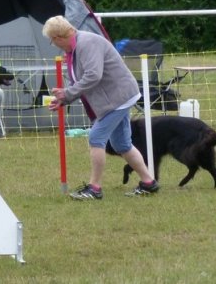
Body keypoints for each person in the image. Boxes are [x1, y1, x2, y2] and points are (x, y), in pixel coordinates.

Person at [42, 15, 159, 200]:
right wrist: (64, 98)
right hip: (117, 97)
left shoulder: (87, 43)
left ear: (57, 37)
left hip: (117, 97)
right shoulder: (75, 48)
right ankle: (148, 183)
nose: (54, 44)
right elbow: (82, 80)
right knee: (122, 144)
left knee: (96, 137)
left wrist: (68, 93)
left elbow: (93, 76)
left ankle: (94, 188)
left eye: (52, 40)